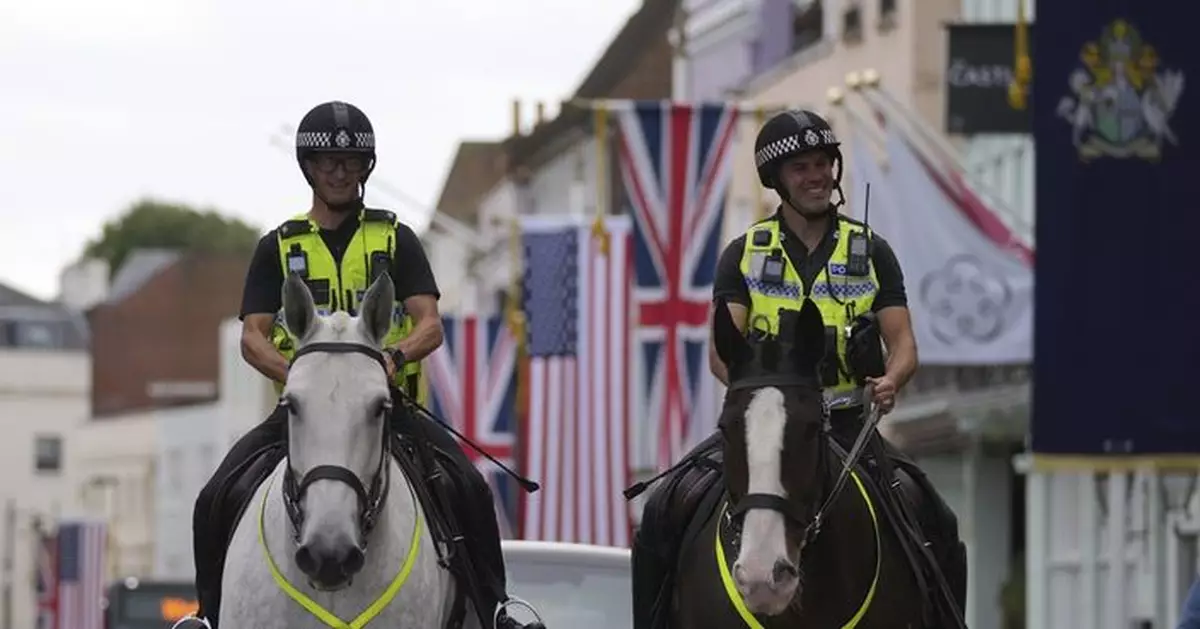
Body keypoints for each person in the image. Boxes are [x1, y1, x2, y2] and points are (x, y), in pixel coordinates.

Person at [173, 101, 541, 629]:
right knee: (217, 492)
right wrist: (300, 375)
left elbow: (429, 323)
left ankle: (497, 608)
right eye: (329, 163)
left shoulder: (397, 239)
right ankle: (207, 615)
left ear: (365, 168)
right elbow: (252, 336)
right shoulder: (277, 246)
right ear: (309, 168)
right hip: (302, 411)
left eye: (350, 161)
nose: (340, 171)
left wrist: (391, 358)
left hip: (386, 407)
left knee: (470, 486)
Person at [630, 109, 967, 628]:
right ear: (776, 181)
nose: (815, 177)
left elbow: (903, 344)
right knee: (661, 511)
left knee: (936, 516)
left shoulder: (872, 251)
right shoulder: (742, 255)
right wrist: (761, 396)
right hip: (765, 423)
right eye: (799, 168)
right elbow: (724, 350)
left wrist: (890, 380)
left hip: (849, 425)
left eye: (822, 164)